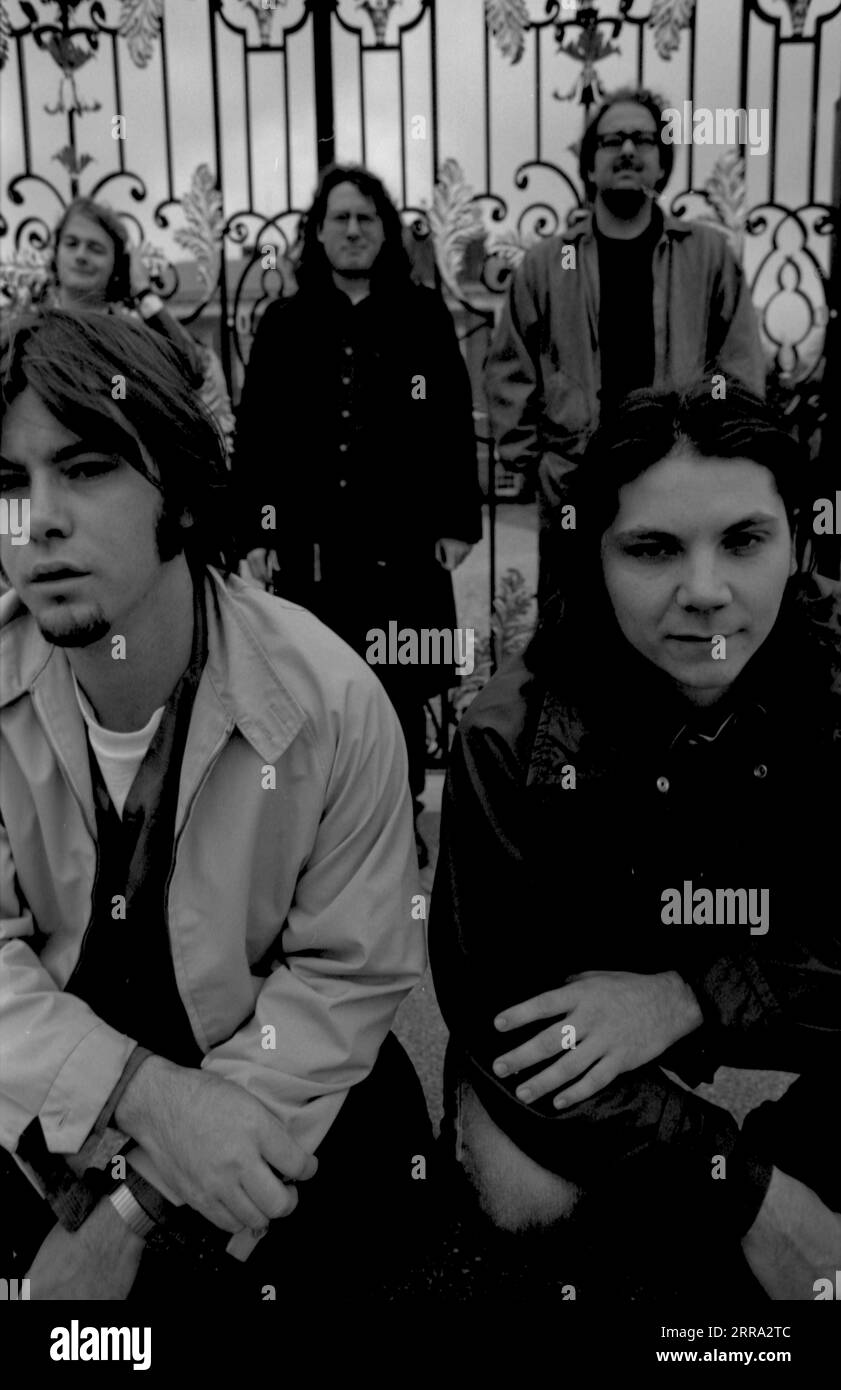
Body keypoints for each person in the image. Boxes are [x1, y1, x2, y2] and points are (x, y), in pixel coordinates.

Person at [0, 309, 430, 1302]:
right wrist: (138, 1091)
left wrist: (130, 1207)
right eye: (11, 484)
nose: (42, 519)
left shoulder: (330, 701)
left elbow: (346, 976)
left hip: (260, 1066)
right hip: (55, 1072)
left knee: (374, 1158)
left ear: (183, 493)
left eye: (91, 465)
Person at [430, 384, 841, 1301]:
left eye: (743, 540)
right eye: (653, 549)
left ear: (798, 548)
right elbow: (503, 1015)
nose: (703, 592)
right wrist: (750, 1196)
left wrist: (691, 998)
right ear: (596, 561)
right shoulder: (511, 734)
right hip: (582, 1029)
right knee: (524, 1190)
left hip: (754, 992)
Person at [234, 164, 482, 865]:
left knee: (396, 695)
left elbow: (450, 424)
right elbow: (257, 433)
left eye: (365, 219)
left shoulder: (421, 314)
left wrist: (456, 522)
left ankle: (398, 823)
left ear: (384, 232)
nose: (351, 230)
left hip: (400, 552)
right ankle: (326, 837)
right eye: (338, 218)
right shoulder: (285, 322)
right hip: (314, 553)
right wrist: (258, 529)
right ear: (317, 232)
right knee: (315, 696)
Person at [484, 87, 767, 602]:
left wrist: (714, 458)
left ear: (662, 165)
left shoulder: (706, 255)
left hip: (678, 491)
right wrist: (534, 467)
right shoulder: (548, 264)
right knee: (572, 648)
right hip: (576, 490)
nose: (629, 150)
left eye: (644, 139)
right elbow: (510, 371)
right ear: (589, 166)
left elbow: (740, 368)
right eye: (613, 140)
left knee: (667, 637)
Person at [43, 196, 235, 454]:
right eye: (71, 243)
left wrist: (144, 292)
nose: (81, 255)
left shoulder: (131, 336)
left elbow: (194, 370)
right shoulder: (33, 332)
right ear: (56, 253)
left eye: (96, 248)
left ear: (117, 264)